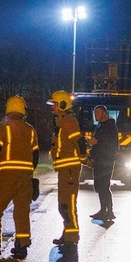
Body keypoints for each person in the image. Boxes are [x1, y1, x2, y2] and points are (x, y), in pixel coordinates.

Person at [0, 96, 39, 259]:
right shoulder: (30, 130)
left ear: (8, 110)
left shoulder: (2, 128)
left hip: (6, 176)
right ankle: (22, 246)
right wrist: (27, 172)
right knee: (22, 212)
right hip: (25, 178)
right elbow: (35, 157)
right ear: (23, 111)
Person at [47, 89, 89, 252]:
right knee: (63, 204)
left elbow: (79, 142)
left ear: (62, 105)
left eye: (55, 104)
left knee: (67, 205)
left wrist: (84, 158)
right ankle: (67, 233)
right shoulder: (61, 121)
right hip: (65, 169)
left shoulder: (68, 121)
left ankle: (72, 238)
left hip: (70, 170)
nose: (53, 107)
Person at [88, 104, 118, 221]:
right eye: (95, 113)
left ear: (104, 113)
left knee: (104, 186)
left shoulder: (109, 126)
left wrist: (96, 141)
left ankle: (109, 212)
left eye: (97, 113)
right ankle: (103, 210)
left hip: (105, 161)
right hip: (100, 160)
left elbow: (110, 143)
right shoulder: (100, 125)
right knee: (100, 186)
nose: (95, 116)